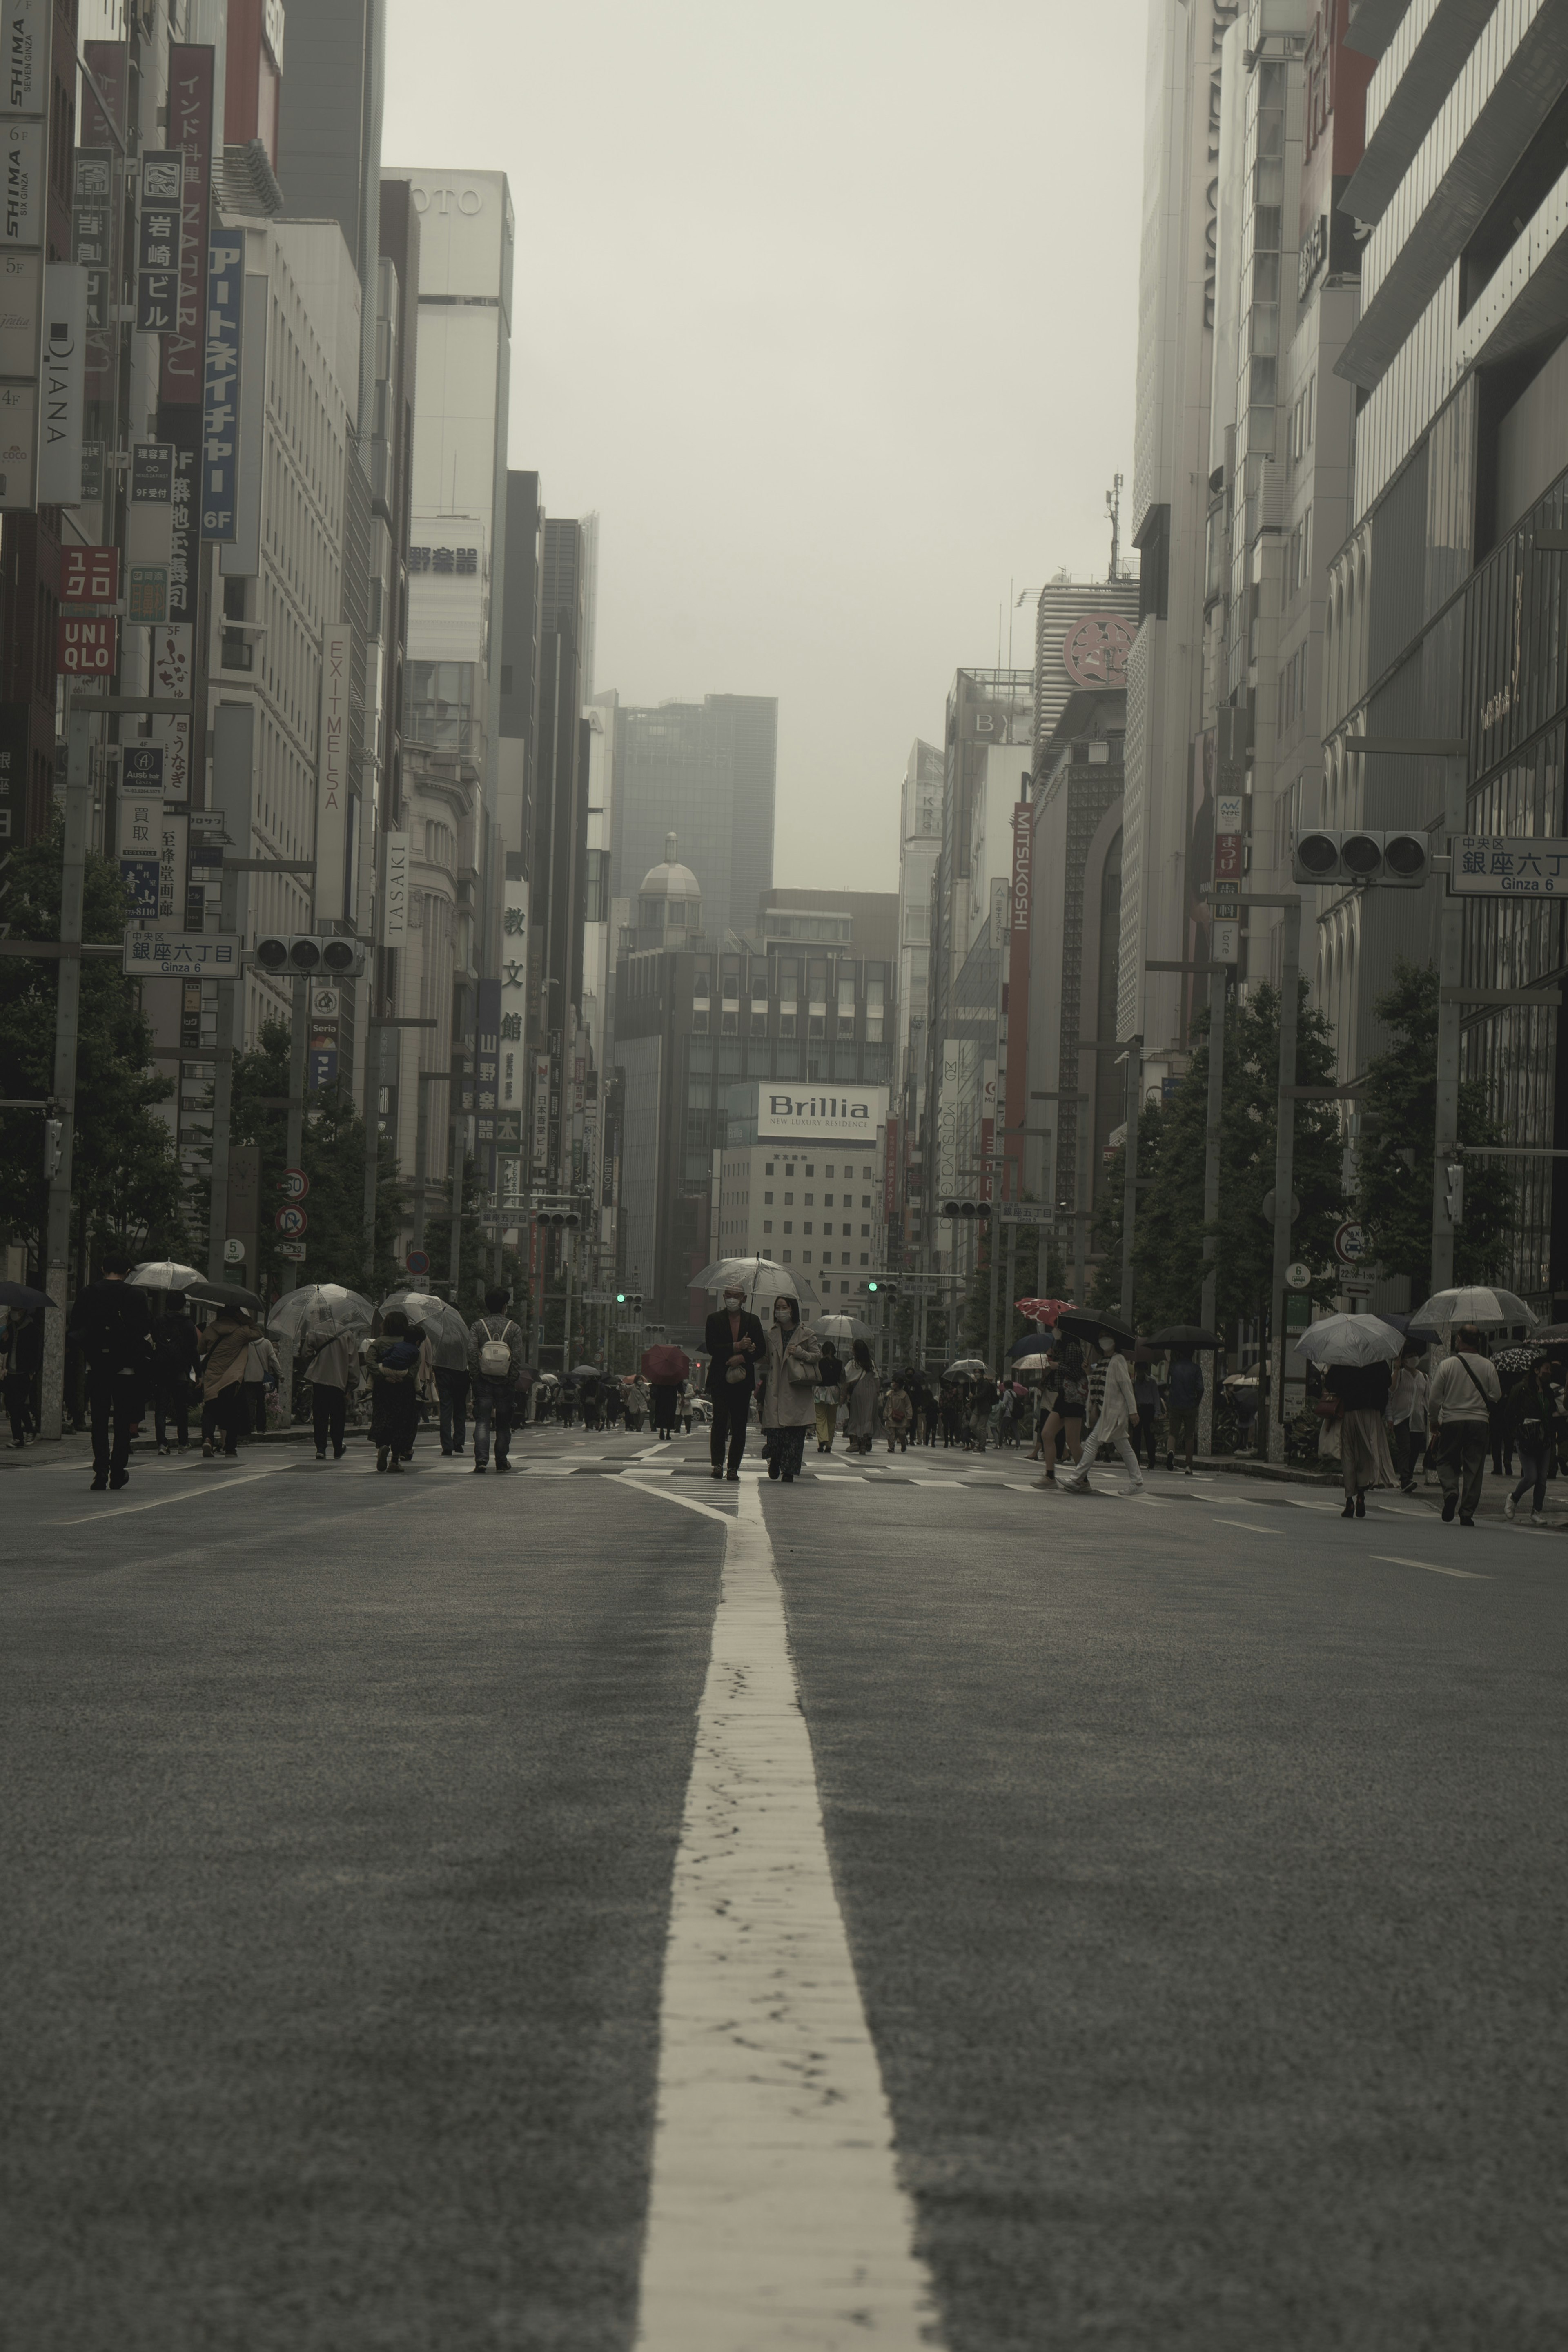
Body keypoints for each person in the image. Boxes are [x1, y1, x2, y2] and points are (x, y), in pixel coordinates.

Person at [67, 1254, 155, 1492]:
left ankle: (100, 1472)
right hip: (127, 1367)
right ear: (128, 1271)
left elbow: (75, 1325)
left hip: (97, 1366)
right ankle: (118, 1471)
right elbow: (145, 1328)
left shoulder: (88, 1292)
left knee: (98, 1419)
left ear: (104, 1268)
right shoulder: (135, 1295)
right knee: (122, 1420)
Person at [1428, 1325, 1502, 1526]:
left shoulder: (1448, 1365)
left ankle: (1451, 1491)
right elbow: (1497, 1395)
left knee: (1444, 1461)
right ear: (1478, 1341)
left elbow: (1434, 1399)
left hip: (1452, 1421)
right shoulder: (1488, 1366)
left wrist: (1434, 1421)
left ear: (1459, 1339)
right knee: (1474, 1468)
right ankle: (1467, 1512)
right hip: (1479, 1422)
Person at [1061, 1334, 1142, 1495]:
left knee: (1092, 1443)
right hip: (1105, 1412)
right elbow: (1097, 1385)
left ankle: (1077, 1479)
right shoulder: (1103, 1361)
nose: (1104, 1340)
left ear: (1114, 1342)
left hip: (1113, 1412)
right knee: (1124, 1448)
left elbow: (1126, 1386)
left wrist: (1133, 1411)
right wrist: (1088, 1372)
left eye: (1108, 1337)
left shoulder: (1118, 1359)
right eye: (1102, 1337)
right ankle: (1137, 1482)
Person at [704, 1281, 767, 1481]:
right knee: (720, 1421)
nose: (732, 1299)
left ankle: (733, 1468)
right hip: (719, 1378)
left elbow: (761, 1350)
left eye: (736, 1296)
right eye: (728, 1295)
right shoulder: (714, 1319)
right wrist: (736, 1347)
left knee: (739, 1424)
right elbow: (712, 1347)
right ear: (724, 1297)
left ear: (744, 1299)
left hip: (742, 1379)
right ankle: (717, 1464)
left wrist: (743, 1357)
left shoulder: (753, 1321)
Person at [760, 1294, 821, 1482]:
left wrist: (800, 1352)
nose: (780, 1311)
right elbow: (766, 1360)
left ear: (792, 1309)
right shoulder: (770, 1333)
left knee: (795, 1433)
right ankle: (775, 1459)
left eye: (784, 1307)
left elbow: (817, 1356)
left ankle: (789, 1471)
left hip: (796, 1388)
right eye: (778, 1307)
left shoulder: (806, 1334)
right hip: (776, 1387)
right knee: (775, 1432)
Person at [1325, 1355, 1395, 1517]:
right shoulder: (1377, 1358)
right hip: (1372, 1412)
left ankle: (1349, 1500)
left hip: (1350, 1411)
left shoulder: (1344, 1358)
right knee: (1366, 1454)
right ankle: (1362, 1496)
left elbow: (1331, 1384)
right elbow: (1387, 1384)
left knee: (1349, 1455)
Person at [468, 1289, 525, 1472]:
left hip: (483, 1382)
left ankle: (482, 1460)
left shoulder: (478, 1326)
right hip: (505, 1383)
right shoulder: (514, 1328)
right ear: (504, 1307)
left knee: (483, 1421)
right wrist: (512, 1377)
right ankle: (501, 1460)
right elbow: (517, 1356)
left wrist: (476, 1375)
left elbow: (471, 1352)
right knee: (503, 1423)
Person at [369, 1309, 433, 1472]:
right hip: (405, 1390)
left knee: (383, 1417)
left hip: (383, 1389)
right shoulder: (410, 1345)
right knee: (401, 1422)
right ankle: (395, 1460)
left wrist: (382, 1377)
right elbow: (415, 1367)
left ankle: (383, 1446)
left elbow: (371, 1362)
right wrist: (403, 1379)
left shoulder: (378, 1343)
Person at [1504, 1358, 1556, 1526]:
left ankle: (1536, 1511)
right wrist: (1516, 1433)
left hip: (1545, 1440)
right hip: (1526, 1438)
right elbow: (1510, 1413)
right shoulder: (1522, 1389)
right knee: (1531, 1476)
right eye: (1546, 1368)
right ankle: (1514, 1497)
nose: (1548, 1372)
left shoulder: (1549, 1392)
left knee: (1542, 1479)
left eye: (1550, 1369)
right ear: (1536, 1371)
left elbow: (1552, 1413)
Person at [198, 1307, 254, 1458]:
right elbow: (259, 1333)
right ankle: (230, 1448)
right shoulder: (242, 1332)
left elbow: (201, 1350)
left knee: (209, 1409)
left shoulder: (210, 1330)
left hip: (213, 1377)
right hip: (231, 1378)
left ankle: (208, 1438)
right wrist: (245, 1320)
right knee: (232, 1412)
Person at [150, 1296, 200, 1454]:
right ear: (183, 1305)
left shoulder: (158, 1322)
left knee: (161, 1409)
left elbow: (152, 1344)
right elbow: (194, 1350)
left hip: (161, 1371)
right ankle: (183, 1443)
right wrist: (199, 1373)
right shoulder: (188, 1324)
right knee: (181, 1408)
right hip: (180, 1372)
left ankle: (162, 1444)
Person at [302, 1325, 358, 1459]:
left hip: (319, 1378)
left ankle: (321, 1448)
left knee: (320, 1414)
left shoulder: (316, 1330)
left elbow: (306, 1354)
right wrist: (352, 1384)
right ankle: (338, 1446)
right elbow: (352, 1363)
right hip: (339, 1381)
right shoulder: (348, 1335)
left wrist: (315, 1365)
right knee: (338, 1415)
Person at [1385, 1349, 1429, 1494]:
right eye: (1410, 1356)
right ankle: (1404, 1479)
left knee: (1415, 1449)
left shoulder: (1424, 1378)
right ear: (1403, 1360)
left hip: (1418, 1419)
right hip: (1402, 1418)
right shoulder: (1400, 1375)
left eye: (1414, 1355)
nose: (1414, 1358)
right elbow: (1391, 1391)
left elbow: (1427, 1399)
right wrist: (1397, 1369)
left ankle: (1408, 1477)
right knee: (1406, 1447)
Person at [3, 1307, 42, 1449]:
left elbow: (37, 1352)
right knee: (13, 1404)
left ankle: (18, 1438)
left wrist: (33, 1371)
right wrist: (4, 1339)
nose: (14, 1312)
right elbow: (4, 1349)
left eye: (17, 1309)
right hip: (11, 1372)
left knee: (16, 1405)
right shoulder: (10, 1328)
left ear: (23, 1312)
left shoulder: (32, 1329)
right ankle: (30, 1430)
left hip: (24, 1373)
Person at [1163, 1348, 1203, 1475]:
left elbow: (1168, 1385)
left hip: (1175, 1404)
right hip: (1190, 1404)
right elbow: (1201, 1388)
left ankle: (1170, 1451)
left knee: (1173, 1432)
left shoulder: (1173, 1367)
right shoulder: (1196, 1369)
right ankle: (1188, 1466)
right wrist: (1197, 1402)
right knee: (1189, 1435)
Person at [241, 1325, 280, 1438]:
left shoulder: (247, 1343)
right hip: (262, 1379)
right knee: (261, 1404)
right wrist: (280, 1374)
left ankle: (250, 1426)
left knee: (250, 1403)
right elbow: (273, 1359)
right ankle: (261, 1427)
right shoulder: (267, 1343)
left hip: (248, 1378)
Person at [844, 1339, 878, 1454]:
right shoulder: (871, 1363)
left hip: (857, 1392)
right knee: (866, 1418)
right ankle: (863, 1444)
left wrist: (844, 1395)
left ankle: (854, 1443)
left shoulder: (853, 1364)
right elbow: (876, 1380)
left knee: (855, 1417)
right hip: (870, 1392)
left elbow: (846, 1379)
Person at [434, 1351, 469, 1458]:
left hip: (444, 1376)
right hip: (461, 1378)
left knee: (445, 1411)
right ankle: (459, 1441)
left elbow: (436, 1361)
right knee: (460, 1410)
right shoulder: (464, 1345)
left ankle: (447, 1445)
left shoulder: (442, 1344)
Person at [1131, 1354, 1163, 1472]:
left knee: (1150, 1437)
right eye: (1138, 1370)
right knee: (1136, 1437)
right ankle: (1136, 1461)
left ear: (1145, 1371)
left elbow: (1156, 1397)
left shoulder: (1151, 1382)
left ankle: (1152, 1460)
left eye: (1141, 1370)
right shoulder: (1133, 1383)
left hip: (1149, 1410)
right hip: (1138, 1409)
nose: (1139, 1373)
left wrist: (1157, 1413)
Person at [813, 1339, 844, 1452]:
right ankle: (829, 1444)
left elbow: (815, 1377)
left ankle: (822, 1440)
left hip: (820, 1391)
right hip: (834, 1391)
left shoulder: (819, 1363)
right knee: (832, 1419)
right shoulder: (840, 1363)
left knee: (820, 1417)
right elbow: (842, 1379)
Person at [885, 1376, 913, 1452]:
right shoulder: (891, 1394)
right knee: (891, 1433)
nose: (892, 1384)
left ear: (898, 1385)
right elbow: (888, 1405)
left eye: (894, 1383)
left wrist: (909, 1416)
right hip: (892, 1416)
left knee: (901, 1433)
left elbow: (908, 1406)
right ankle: (891, 1447)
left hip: (902, 1417)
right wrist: (886, 1414)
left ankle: (903, 1443)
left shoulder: (904, 1395)